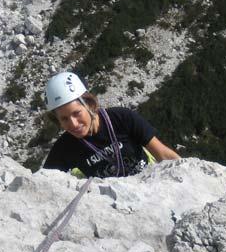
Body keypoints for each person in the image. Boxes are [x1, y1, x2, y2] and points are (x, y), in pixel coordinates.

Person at [41, 72, 179, 178]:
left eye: (77, 113)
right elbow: (43, 182)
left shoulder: (122, 118)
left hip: (148, 179)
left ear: (90, 104)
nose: (73, 124)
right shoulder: (65, 147)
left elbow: (163, 154)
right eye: (64, 119)